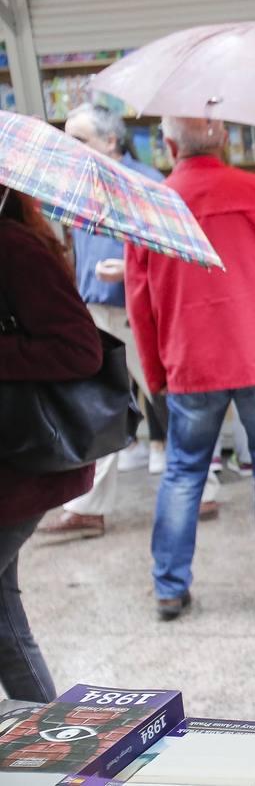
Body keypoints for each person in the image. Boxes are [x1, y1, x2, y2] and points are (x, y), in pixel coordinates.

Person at [125, 116, 255, 621]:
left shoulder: (149, 206)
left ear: (170, 145)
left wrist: (154, 375)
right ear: (227, 141)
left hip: (190, 358)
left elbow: (139, 302)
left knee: (183, 472)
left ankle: (169, 587)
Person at [39, 104, 218, 540]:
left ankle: (203, 489)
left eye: (77, 139)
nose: (69, 147)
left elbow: (173, 248)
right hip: (95, 311)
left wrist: (128, 266)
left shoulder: (146, 184)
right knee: (96, 406)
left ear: (111, 141)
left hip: (139, 312)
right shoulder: (78, 183)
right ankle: (87, 507)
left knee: (168, 401)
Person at [0, 188, 102, 700]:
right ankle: (46, 737)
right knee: (4, 618)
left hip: (20, 466)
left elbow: (80, 348)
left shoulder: (13, 246)